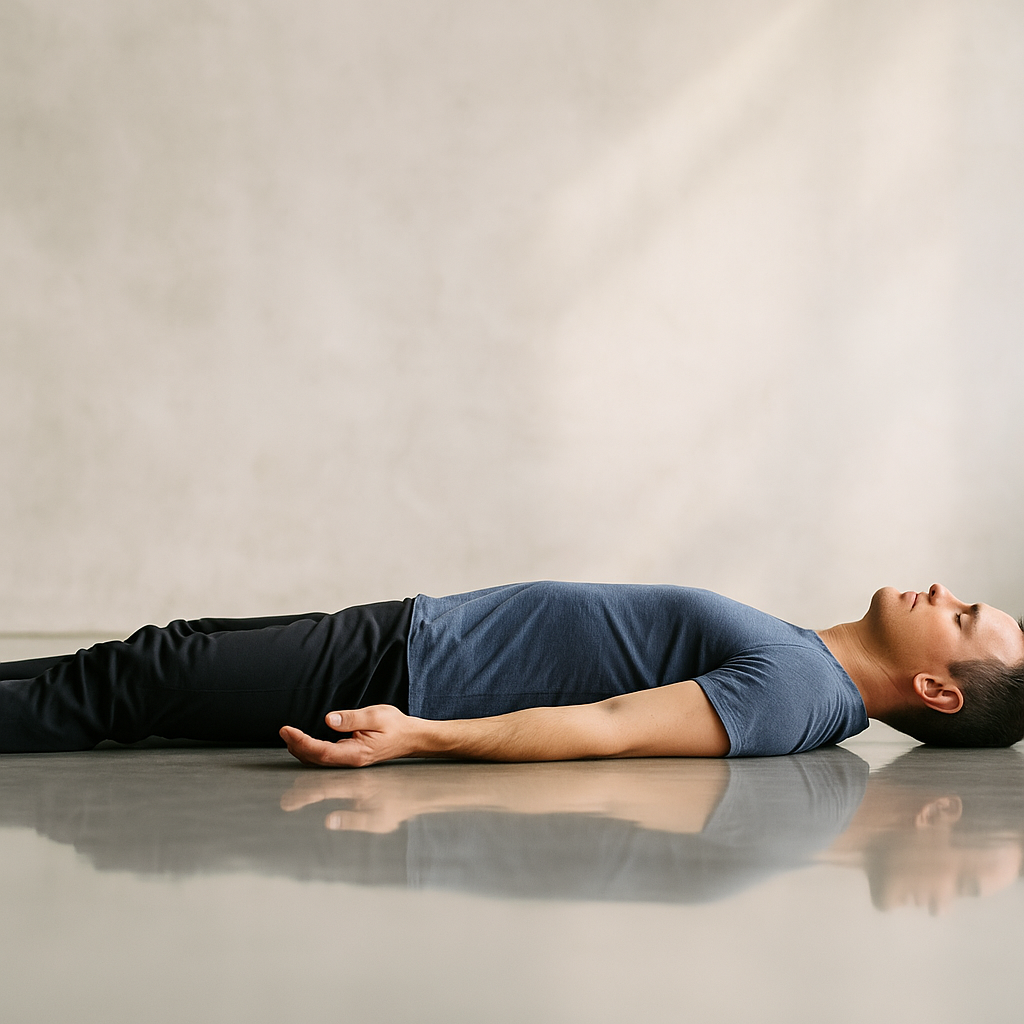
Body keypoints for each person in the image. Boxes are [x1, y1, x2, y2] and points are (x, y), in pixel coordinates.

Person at [1, 581, 1022, 764]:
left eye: (963, 615)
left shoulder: (803, 694)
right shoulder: (810, 666)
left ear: (938, 690)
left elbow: (614, 727)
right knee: (135, 664)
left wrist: (419, 734)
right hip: (415, 629)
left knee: (136, 681)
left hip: (410, 672)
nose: (944, 589)